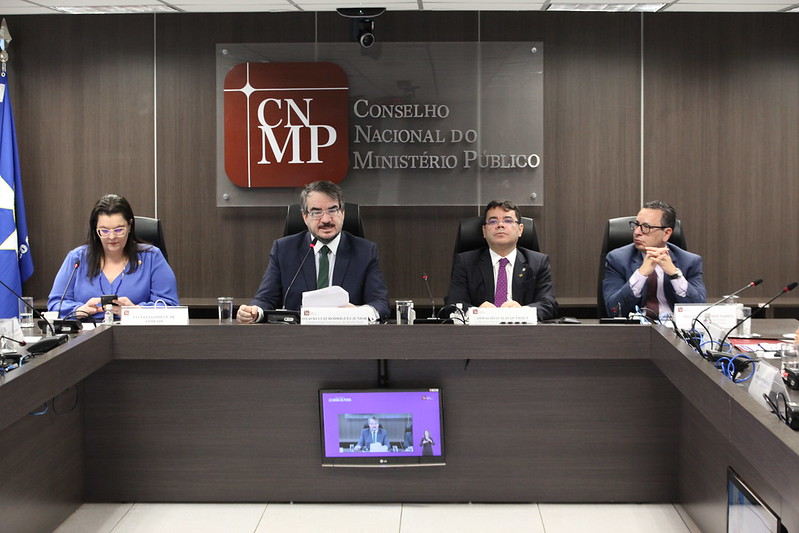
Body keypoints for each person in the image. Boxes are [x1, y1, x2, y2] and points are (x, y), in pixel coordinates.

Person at [237, 181, 390, 323]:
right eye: (316, 212)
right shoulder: (284, 250)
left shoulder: (365, 251)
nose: (326, 220)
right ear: (305, 217)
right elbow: (265, 299)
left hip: (347, 336)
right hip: (297, 337)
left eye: (332, 210)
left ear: (342, 213)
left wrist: (357, 313)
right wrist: (254, 312)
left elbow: (380, 304)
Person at [47, 194, 179, 320]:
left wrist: (135, 311)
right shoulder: (77, 258)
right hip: (86, 332)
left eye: (119, 230)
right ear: (96, 230)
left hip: (135, 332)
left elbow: (170, 306)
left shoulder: (152, 257)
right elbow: (55, 304)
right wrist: (79, 310)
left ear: (129, 226)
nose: (111, 237)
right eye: (104, 231)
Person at [445, 200, 558, 322]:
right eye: (493, 221)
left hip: (523, 331)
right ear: (484, 231)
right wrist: (477, 312)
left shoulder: (538, 262)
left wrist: (522, 311)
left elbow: (548, 304)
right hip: (480, 330)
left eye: (508, 220)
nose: (500, 225)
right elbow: (453, 303)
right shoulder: (466, 262)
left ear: (520, 230)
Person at [603, 201, 706, 319]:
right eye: (636, 224)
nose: (637, 232)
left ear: (666, 233)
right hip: (635, 328)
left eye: (646, 227)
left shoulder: (690, 262)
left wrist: (674, 275)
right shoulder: (617, 259)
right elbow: (614, 310)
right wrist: (640, 275)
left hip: (673, 328)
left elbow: (699, 310)